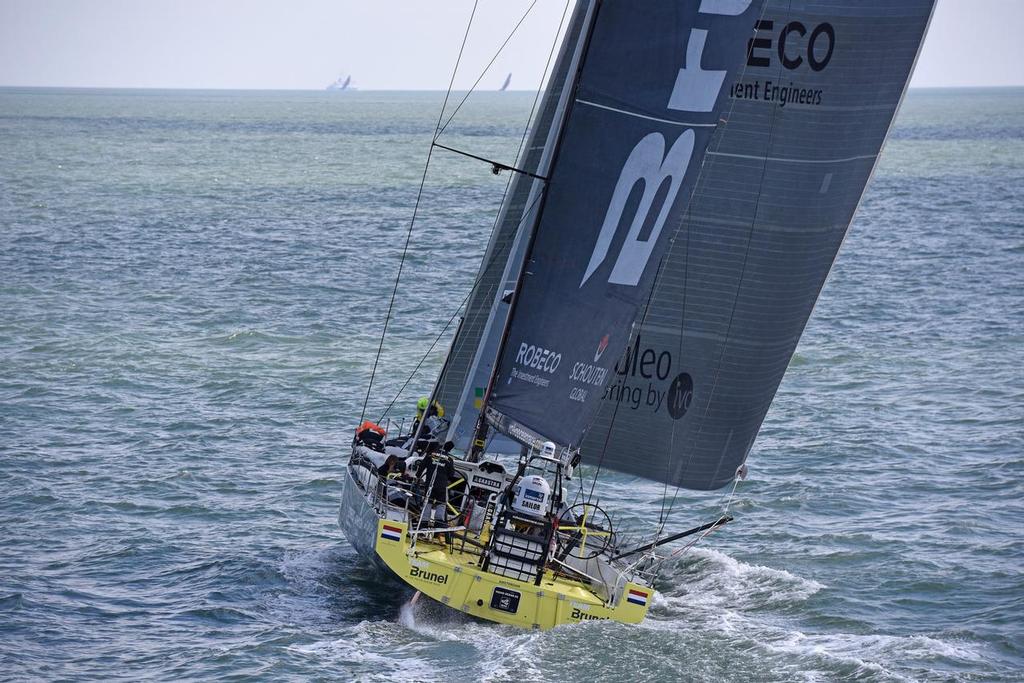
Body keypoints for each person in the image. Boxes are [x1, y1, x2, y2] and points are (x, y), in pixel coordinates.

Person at [416, 442, 457, 529]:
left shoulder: (430, 455)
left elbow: (421, 466)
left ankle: (424, 522)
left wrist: (417, 476)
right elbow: (451, 474)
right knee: (441, 503)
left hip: (430, 484)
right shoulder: (449, 459)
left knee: (428, 501)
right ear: (450, 450)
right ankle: (439, 522)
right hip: (441, 486)